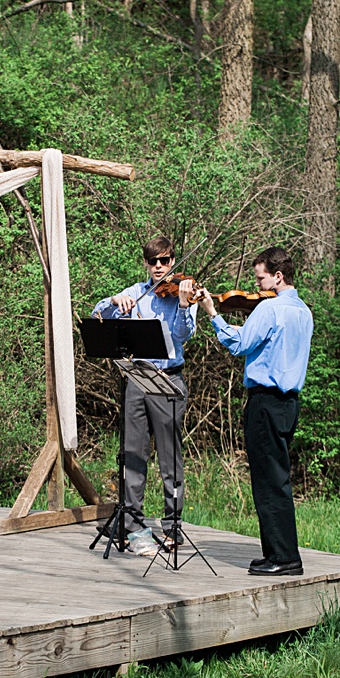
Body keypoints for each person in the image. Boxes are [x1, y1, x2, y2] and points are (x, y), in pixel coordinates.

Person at [197, 246, 313, 577]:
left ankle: (284, 557)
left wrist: (212, 313)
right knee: (277, 478)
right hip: (289, 404)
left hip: (265, 402)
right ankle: (278, 552)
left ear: (277, 276)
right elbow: (258, 341)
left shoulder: (270, 309)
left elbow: (239, 344)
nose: (257, 283)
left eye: (260, 277)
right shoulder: (303, 310)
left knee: (268, 482)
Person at [92, 236, 197, 556]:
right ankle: (134, 523)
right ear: (146, 264)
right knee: (133, 453)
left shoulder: (184, 293)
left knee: (170, 457)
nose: (159, 267)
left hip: (169, 379)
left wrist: (182, 304)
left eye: (165, 261)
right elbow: (99, 317)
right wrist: (112, 302)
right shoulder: (135, 292)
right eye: (153, 262)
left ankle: (173, 526)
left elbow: (183, 335)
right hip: (137, 379)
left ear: (173, 261)